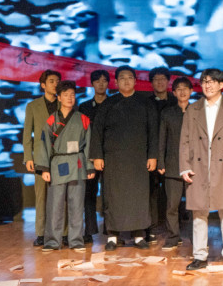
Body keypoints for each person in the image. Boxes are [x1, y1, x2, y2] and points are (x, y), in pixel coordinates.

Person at [179, 69, 223, 271]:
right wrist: (184, 166)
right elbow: (184, 140)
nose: (207, 85)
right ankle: (199, 256)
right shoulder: (193, 109)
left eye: (212, 81)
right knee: (199, 213)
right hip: (199, 165)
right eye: (204, 81)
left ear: (221, 85)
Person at [89, 65, 158, 251]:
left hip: (139, 159)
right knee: (113, 197)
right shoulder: (108, 104)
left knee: (139, 196)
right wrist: (97, 156)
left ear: (135, 81)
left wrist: (153, 155)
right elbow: (97, 132)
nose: (126, 81)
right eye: (122, 78)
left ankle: (139, 235)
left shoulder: (146, 104)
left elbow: (154, 131)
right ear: (116, 82)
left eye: (129, 78)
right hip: (113, 160)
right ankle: (112, 236)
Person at [34, 81, 96, 251]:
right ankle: (52, 241)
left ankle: (76, 240)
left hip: (77, 163)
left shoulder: (83, 119)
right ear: (59, 98)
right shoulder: (52, 120)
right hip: (58, 163)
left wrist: (89, 166)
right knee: (55, 205)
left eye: (72, 95)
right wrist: (45, 168)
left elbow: (89, 144)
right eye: (66, 95)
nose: (70, 98)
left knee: (77, 205)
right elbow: (44, 144)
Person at [23, 69, 61, 247]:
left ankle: (64, 233)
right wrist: (28, 157)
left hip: (61, 156)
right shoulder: (33, 106)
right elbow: (27, 134)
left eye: (57, 81)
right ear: (43, 85)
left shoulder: (64, 103)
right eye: (51, 81)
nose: (55, 84)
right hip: (40, 156)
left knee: (62, 196)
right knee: (41, 197)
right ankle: (40, 233)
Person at [157, 76, 192, 250]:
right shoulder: (168, 113)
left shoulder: (198, 111)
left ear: (191, 91)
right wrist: (160, 162)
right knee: (172, 205)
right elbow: (162, 139)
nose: (182, 92)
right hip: (172, 164)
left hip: (194, 166)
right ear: (174, 92)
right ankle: (173, 237)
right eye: (179, 89)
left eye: (185, 88)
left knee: (195, 206)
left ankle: (197, 238)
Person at [78, 69, 110, 243]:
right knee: (89, 193)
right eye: (98, 81)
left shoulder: (114, 104)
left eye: (104, 81)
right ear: (92, 84)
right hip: (89, 155)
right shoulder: (84, 107)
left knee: (110, 193)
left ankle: (111, 229)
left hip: (110, 155)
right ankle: (89, 230)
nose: (101, 84)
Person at [146, 66, 176, 243]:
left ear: (168, 81)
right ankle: (152, 225)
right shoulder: (146, 102)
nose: (159, 82)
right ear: (151, 83)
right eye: (156, 79)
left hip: (172, 152)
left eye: (163, 79)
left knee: (172, 191)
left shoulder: (175, 101)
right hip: (151, 152)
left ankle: (172, 226)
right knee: (151, 190)